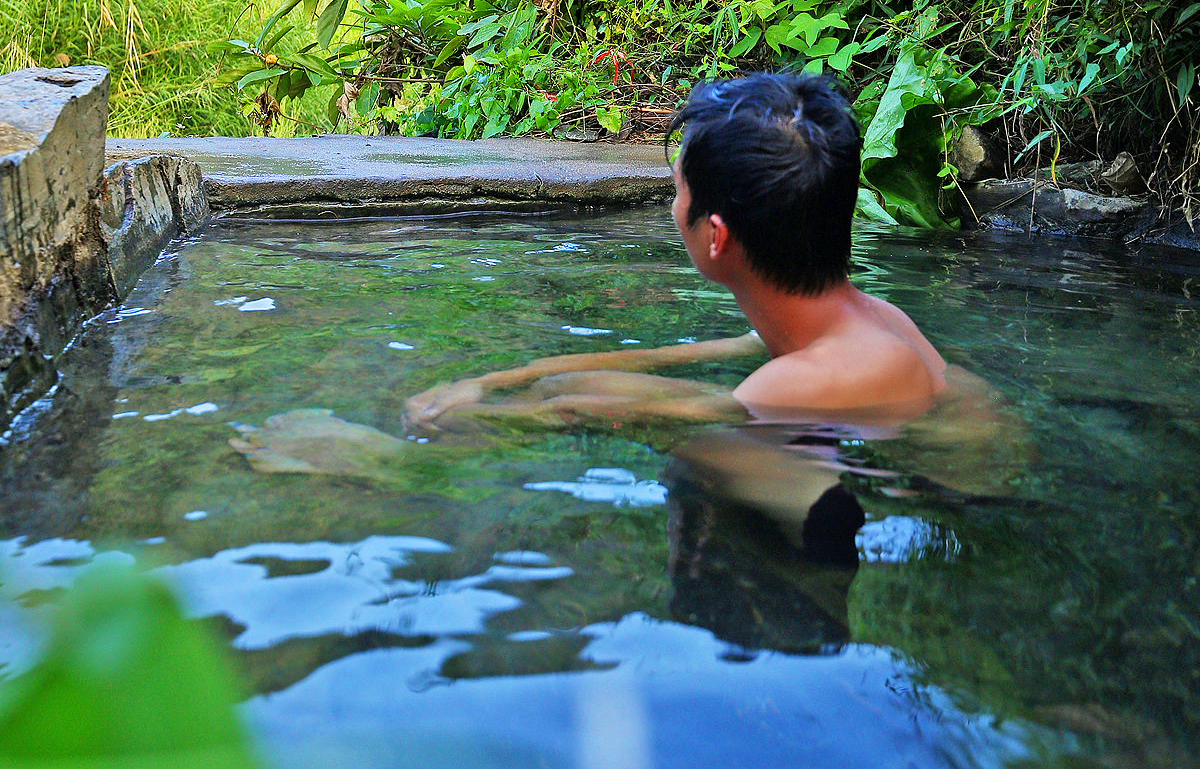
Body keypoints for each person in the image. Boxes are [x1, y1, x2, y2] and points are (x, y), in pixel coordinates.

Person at [232, 73, 960, 478]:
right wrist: (498, 382)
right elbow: (658, 363)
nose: (668, 205)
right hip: (887, 456)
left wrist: (391, 454)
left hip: (920, 498)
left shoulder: (797, 383)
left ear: (716, 237)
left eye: (674, 190)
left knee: (679, 449)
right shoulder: (850, 318)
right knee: (590, 388)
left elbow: (591, 415)